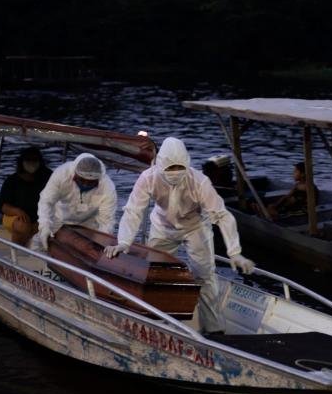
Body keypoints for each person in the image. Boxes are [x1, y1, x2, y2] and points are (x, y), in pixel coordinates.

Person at [104, 137, 255, 333]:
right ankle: (157, 320)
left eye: (179, 168)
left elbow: (221, 216)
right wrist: (124, 242)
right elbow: (134, 211)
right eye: (170, 168)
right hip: (162, 227)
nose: (175, 173)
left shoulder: (200, 182)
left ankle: (214, 328)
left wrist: (234, 252)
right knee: (154, 274)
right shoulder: (148, 177)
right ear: (160, 165)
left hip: (195, 227)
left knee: (205, 275)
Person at [31, 153, 116, 251]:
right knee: (38, 243)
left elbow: (107, 221)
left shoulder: (108, 187)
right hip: (60, 217)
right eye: (82, 180)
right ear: (75, 174)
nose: (85, 184)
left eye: (90, 182)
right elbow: (46, 201)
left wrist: (101, 242)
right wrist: (44, 225)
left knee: (92, 249)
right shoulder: (61, 174)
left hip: (89, 221)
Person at [0, 147, 51, 245]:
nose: (31, 163)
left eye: (35, 160)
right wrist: (17, 211)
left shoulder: (48, 177)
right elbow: (3, 206)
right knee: (22, 225)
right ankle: (17, 253)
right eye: (28, 160)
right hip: (16, 217)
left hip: (41, 218)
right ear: (21, 162)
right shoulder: (12, 181)